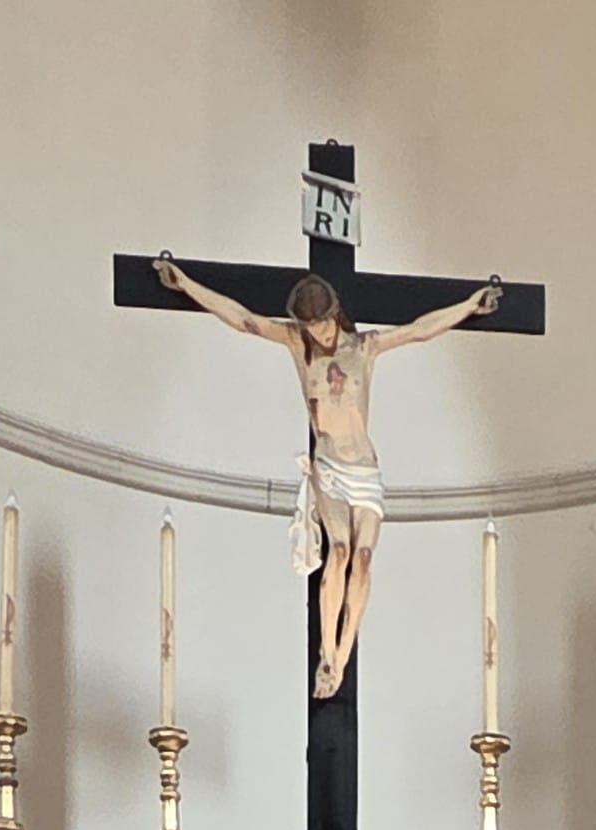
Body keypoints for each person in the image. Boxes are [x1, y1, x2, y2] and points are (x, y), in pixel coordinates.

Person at [154, 254, 501, 699]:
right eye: (309, 326)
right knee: (337, 551)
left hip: (365, 470)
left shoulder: (364, 348)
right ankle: (328, 655)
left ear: (334, 314)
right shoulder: (299, 346)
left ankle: (343, 649)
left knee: (364, 560)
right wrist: (184, 283)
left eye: (320, 324)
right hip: (330, 470)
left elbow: (419, 329)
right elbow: (242, 319)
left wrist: (470, 305)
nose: (316, 333)